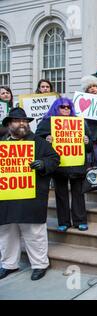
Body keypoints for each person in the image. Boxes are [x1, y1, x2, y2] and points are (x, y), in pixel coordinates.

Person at [0, 108, 60, 281]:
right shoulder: (2, 143)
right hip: (6, 197)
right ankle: (8, 264)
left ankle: (40, 264)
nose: (23, 124)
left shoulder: (38, 142)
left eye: (25, 121)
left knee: (34, 232)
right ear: (9, 124)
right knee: (6, 232)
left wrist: (43, 164)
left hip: (31, 195)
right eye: (18, 121)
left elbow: (54, 158)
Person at [35, 98, 92, 232]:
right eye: (62, 107)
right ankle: (64, 222)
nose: (66, 109)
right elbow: (37, 142)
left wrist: (87, 141)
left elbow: (89, 147)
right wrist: (46, 140)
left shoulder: (80, 122)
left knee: (78, 193)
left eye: (68, 107)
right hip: (58, 165)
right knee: (61, 193)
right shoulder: (47, 123)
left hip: (77, 165)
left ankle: (80, 221)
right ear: (56, 108)